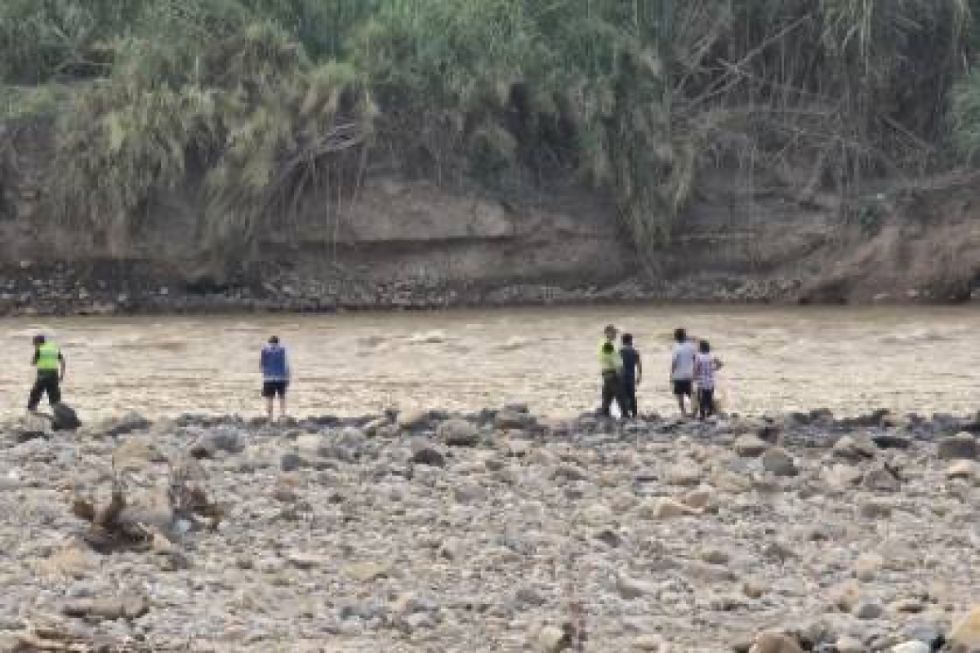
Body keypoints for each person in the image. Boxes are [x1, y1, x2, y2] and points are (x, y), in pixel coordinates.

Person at [28, 334, 66, 413]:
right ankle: (59, 414)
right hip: (54, 375)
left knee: (35, 394)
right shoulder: (53, 348)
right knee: (55, 397)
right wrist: (62, 375)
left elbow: (33, 363)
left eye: (34, 343)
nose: (34, 345)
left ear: (38, 342)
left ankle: (31, 411)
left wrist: (36, 351)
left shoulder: (40, 349)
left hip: (43, 375)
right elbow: (62, 361)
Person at [260, 336, 290, 421]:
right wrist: (287, 379)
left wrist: (265, 373)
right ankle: (282, 415)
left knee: (269, 398)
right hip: (281, 378)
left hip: (268, 379)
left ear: (269, 342)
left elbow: (261, 366)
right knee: (282, 397)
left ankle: (269, 417)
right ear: (278, 342)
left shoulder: (264, 351)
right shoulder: (283, 350)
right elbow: (287, 366)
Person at [670, 328, 697, 417]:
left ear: (676, 337)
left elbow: (674, 363)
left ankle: (683, 413)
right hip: (689, 375)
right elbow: (695, 359)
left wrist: (671, 375)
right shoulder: (692, 346)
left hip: (678, 376)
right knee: (691, 395)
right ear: (685, 335)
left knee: (680, 396)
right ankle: (695, 411)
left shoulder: (676, 347)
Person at [694, 340, 723, 420]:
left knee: (701, 399)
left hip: (702, 381)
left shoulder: (699, 357)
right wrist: (714, 369)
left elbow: (696, 369)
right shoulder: (711, 356)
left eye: (699, 346)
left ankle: (702, 415)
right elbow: (721, 364)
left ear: (701, 348)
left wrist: (694, 377)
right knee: (709, 397)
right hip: (710, 381)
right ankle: (710, 413)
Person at [599, 341, 625, 418]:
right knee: (619, 395)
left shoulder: (603, 356)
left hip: (606, 377)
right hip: (613, 376)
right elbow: (619, 367)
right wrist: (621, 378)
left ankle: (605, 412)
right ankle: (624, 413)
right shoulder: (614, 355)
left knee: (607, 395)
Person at [620, 333, 642, 418]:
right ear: (630, 340)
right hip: (631, 376)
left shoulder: (620, 351)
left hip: (621, 376)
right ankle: (634, 413)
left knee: (623, 395)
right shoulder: (634, 351)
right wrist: (639, 376)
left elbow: (617, 365)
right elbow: (639, 365)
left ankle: (624, 414)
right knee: (632, 395)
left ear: (622, 341)